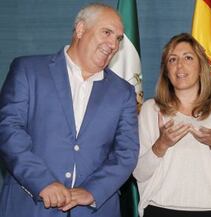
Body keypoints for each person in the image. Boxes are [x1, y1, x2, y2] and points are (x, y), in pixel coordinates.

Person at [0, 3, 139, 217]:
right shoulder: (28, 71)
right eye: (107, 32)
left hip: (95, 211)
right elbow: (8, 130)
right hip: (30, 207)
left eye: (118, 39)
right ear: (81, 29)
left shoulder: (123, 92)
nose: (113, 44)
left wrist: (92, 191)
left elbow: (126, 153)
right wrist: (43, 182)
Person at [133, 33, 211, 217]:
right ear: (166, 71)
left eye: (188, 58)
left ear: (201, 67)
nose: (180, 65)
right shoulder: (150, 110)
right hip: (161, 210)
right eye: (172, 60)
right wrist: (161, 145)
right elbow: (139, 173)